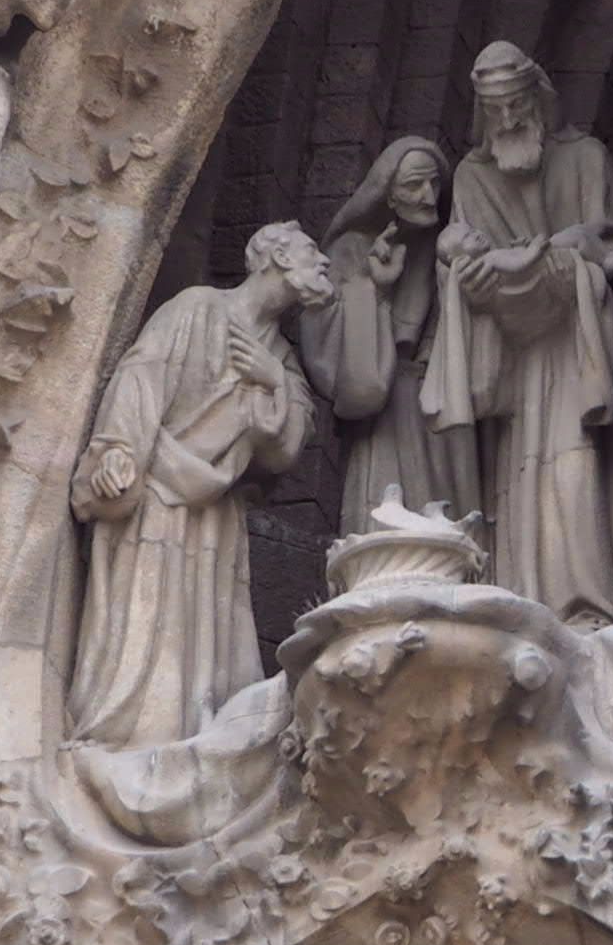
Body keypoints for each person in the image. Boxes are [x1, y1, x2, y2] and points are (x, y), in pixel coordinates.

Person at [66, 221, 331, 747]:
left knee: (202, 641)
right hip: (155, 496)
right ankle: (121, 737)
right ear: (277, 257)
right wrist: (118, 450)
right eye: (311, 249)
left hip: (215, 514)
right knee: (142, 626)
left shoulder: (280, 358)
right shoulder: (196, 309)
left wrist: (272, 380)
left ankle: (189, 741)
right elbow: (140, 378)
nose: (323, 261)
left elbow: (287, 448)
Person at [422, 42, 613, 626]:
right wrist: (469, 282)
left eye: (517, 105)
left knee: (579, 471)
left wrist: (571, 262)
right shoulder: (472, 176)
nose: (508, 120)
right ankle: (526, 607)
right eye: (494, 111)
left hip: (578, 345)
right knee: (518, 485)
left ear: (539, 98)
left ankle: (591, 605)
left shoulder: (586, 157)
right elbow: (457, 264)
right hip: (514, 364)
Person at [298, 135, 477, 536]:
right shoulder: (352, 248)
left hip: (441, 401)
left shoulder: (445, 247)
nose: (428, 195)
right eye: (414, 185)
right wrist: (373, 287)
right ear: (388, 195)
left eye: (434, 183)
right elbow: (325, 340)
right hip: (387, 410)